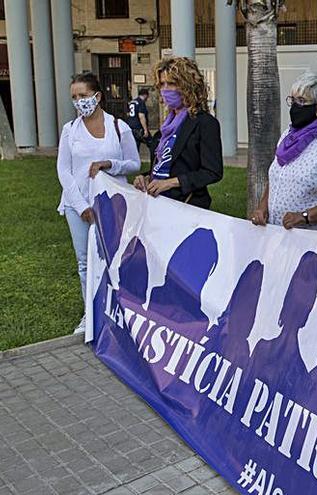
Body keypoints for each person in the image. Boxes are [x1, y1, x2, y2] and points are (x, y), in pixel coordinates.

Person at [56, 72, 140, 333]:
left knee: (115, 258)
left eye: (83, 95)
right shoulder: (70, 131)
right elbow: (63, 171)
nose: (79, 101)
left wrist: (109, 164)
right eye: (74, 97)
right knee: (85, 261)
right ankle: (90, 312)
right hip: (78, 205)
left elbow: (134, 163)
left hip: (112, 205)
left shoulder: (119, 127)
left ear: (97, 96)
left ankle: (120, 310)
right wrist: (81, 206)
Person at [251, 72, 317, 231]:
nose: (294, 107)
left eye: (301, 101)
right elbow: (277, 177)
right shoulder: (288, 136)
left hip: (314, 240)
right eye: (292, 100)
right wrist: (262, 207)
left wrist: (306, 216)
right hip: (278, 234)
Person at [133, 57, 223, 209]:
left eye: (172, 83)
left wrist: (171, 183)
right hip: (157, 204)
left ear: (188, 86)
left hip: (187, 206)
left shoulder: (205, 123)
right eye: (162, 84)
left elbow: (212, 172)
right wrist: (146, 176)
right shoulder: (166, 127)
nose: (166, 89)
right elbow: (165, 165)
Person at [126, 87, 151, 154]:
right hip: (139, 128)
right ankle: (155, 160)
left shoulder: (132, 102)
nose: (147, 98)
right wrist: (145, 130)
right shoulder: (141, 102)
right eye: (147, 96)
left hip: (131, 127)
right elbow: (141, 116)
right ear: (145, 95)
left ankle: (135, 162)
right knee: (152, 143)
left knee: (135, 147)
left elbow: (128, 114)